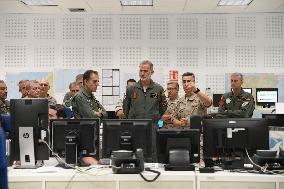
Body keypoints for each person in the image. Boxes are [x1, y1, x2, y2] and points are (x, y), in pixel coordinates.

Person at [123, 60, 167, 161]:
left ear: (152, 72)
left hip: (152, 126)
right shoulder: (131, 88)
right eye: (141, 70)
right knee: (134, 151)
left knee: (152, 152)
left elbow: (163, 107)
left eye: (145, 71)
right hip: (134, 126)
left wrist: (155, 118)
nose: (142, 73)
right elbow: (126, 107)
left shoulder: (158, 89)